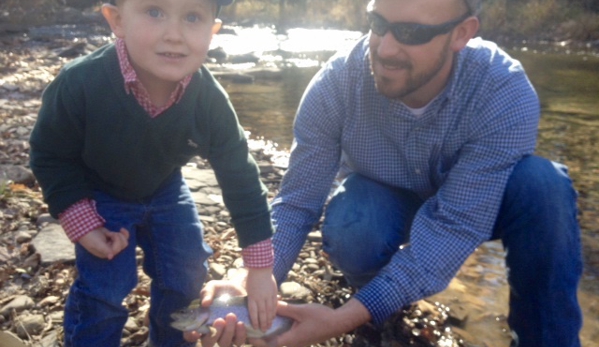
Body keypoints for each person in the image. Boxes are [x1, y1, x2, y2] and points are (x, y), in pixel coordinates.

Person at [192, 0, 584, 346]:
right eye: (378, 23)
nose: (386, 48)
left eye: (412, 33)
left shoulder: (503, 91)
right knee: (354, 219)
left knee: (544, 186)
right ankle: (377, 300)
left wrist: (341, 320)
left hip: (476, 205)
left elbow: (453, 226)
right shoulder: (336, 84)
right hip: (383, 200)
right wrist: (249, 280)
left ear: (461, 33)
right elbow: (296, 204)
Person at [28, 0, 279, 346]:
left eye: (192, 17)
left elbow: (242, 179)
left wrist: (260, 269)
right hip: (99, 189)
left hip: (165, 188)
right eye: (154, 12)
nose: (173, 35)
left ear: (212, 31)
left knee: (187, 271)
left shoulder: (209, 101)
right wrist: (79, 220)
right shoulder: (80, 83)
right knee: (105, 286)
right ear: (117, 20)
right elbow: (50, 153)